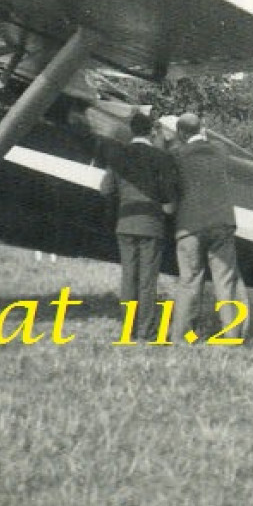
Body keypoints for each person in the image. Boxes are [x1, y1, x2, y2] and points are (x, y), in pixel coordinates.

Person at [100, 110, 181, 341]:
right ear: (151, 131)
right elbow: (169, 194)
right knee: (147, 280)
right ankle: (146, 331)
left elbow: (106, 190)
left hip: (125, 223)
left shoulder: (118, 155)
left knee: (129, 277)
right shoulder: (161, 158)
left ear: (131, 130)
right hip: (151, 225)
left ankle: (127, 329)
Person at [169, 111, 247, 342]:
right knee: (225, 282)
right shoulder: (220, 151)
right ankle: (231, 336)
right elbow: (218, 145)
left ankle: (181, 336)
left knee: (189, 281)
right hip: (222, 223)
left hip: (189, 225)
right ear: (201, 130)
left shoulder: (176, 154)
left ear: (181, 133)